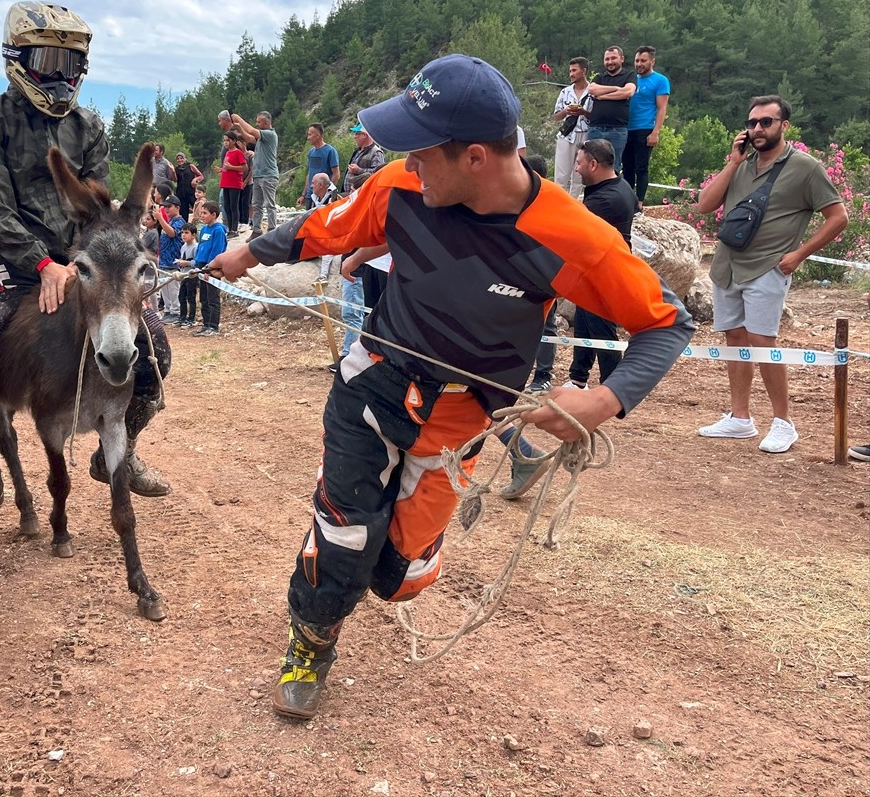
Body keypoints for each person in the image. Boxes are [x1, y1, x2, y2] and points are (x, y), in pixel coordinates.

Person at [209, 54, 693, 721]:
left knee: (397, 577)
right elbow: (326, 225)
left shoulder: (573, 237)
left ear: (474, 158)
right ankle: (311, 642)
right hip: (372, 385)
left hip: (461, 422)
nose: (406, 162)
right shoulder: (401, 187)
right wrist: (249, 252)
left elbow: (668, 323)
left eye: (419, 150)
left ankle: (402, 549)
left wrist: (604, 400)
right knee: (346, 538)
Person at [0, 0, 173, 537]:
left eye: (71, 63)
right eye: (48, 60)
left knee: (155, 351)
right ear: (16, 59)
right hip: (13, 266)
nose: (61, 76)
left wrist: (81, 263)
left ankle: (119, 452)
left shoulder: (89, 126)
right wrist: (42, 264)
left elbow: (97, 209)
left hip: (85, 266)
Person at [695, 95, 847, 454]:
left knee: (762, 341)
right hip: (728, 265)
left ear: (784, 125)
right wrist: (733, 162)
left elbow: (838, 217)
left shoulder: (805, 167)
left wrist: (799, 254)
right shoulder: (742, 164)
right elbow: (704, 205)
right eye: (752, 123)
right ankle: (740, 418)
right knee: (735, 338)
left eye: (766, 122)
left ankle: (783, 422)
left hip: (767, 266)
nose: (758, 129)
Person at [565, 140, 639, 389]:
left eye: (579, 163)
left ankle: (614, 388)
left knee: (602, 331)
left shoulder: (605, 200)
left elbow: (571, 229)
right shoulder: (619, 185)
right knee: (585, 323)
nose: (576, 169)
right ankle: (578, 379)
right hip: (596, 268)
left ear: (594, 165)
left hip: (607, 273)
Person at [622, 46, 671, 205]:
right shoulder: (631, 79)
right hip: (626, 128)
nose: (639, 64)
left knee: (641, 167)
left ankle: (639, 203)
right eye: (637, 61)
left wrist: (656, 132)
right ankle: (627, 200)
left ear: (652, 61)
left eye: (643, 61)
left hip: (645, 128)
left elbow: (662, 108)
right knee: (627, 167)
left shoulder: (660, 81)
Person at [585, 46, 636, 171]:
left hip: (617, 129)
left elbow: (628, 92)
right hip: (595, 128)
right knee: (591, 166)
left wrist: (602, 95)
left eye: (613, 58)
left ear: (622, 59)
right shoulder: (599, 77)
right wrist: (617, 88)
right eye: (607, 59)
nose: (610, 62)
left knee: (613, 167)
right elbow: (591, 89)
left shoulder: (629, 75)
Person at [231, 111, 280, 233]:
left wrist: (238, 119)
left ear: (266, 123)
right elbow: (248, 138)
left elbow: (251, 131)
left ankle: (272, 230)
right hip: (258, 175)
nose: (257, 124)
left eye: (259, 122)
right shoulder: (261, 138)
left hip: (268, 175)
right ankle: (256, 230)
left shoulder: (270, 134)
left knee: (269, 205)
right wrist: (240, 128)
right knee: (256, 204)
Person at [552, 57, 591, 198]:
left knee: (579, 175)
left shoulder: (593, 91)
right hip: (567, 135)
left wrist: (583, 112)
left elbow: (597, 116)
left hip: (586, 135)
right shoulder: (565, 92)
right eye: (570, 71)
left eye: (574, 70)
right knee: (561, 174)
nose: (571, 74)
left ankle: (573, 203)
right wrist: (566, 111)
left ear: (584, 71)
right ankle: (559, 204)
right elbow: (556, 116)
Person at [191, 200, 227, 337]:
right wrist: (197, 265)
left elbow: (217, 251)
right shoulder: (204, 229)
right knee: (204, 297)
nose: (202, 215)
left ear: (214, 215)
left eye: (205, 213)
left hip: (211, 267)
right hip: (201, 265)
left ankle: (213, 326)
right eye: (201, 213)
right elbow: (201, 247)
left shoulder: (218, 230)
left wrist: (210, 269)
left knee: (212, 297)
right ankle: (206, 324)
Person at [154, 195, 185, 321]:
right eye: (165, 207)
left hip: (173, 261)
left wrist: (160, 218)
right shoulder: (169, 221)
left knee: (173, 289)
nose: (166, 209)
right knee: (165, 289)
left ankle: (175, 311)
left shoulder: (179, 222)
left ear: (177, 207)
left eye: (169, 207)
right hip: (164, 261)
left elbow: (172, 233)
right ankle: (168, 310)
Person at [214, 131, 247, 236]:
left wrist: (231, 167)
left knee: (233, 206)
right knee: (226, 206)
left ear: (234, 141)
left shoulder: (238, 152)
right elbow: (227, 167)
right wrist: (221, 169)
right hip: (226, 182)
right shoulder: (227, 153)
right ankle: (230, 228)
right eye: (224, 140)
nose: (226, 142)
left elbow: (244, 167)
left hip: (234, 183)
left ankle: (234, 229)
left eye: (228, 140)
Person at [300, 124, 339, 209]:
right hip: (310, 195)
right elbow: (309, 173)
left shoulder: (330, 151)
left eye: (310, 135)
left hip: (323, 196)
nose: (308, 138)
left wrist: (329, 192)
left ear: (317, 136)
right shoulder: (311, 152)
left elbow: (336, 174)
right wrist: (303, 195)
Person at [343, 123, 386, 194]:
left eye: (357, 134)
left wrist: (358, 170)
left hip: (362, 195)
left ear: (364, 135)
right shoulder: (357, 151)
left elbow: (378, 173)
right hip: (351, 194)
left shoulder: (376, 152)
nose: (355, 137)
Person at [174, 223, 198, 326]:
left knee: (191, 297)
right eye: (182, 233)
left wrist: (187, 263)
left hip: (192, 275)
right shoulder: (183, 247)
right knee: (181, 297)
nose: (183, 235)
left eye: (187, 233)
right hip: (183, 275)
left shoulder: (196, 247)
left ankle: (191, 318)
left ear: (193, 235)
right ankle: (182, 317)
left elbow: (197, 262)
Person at [173, 153, 201, 220]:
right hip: (181, 194)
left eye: (181, 158)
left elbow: (200, 176)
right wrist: (173, 172)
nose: (180, 160)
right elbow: (175, 180)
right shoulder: (176, 169)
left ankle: (199, 224)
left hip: (191, 193)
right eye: (178, 159)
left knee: (197, 210)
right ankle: (185, 226)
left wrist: (195, 180)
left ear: (184, 159)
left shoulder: (190, 166)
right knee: (183, 214)